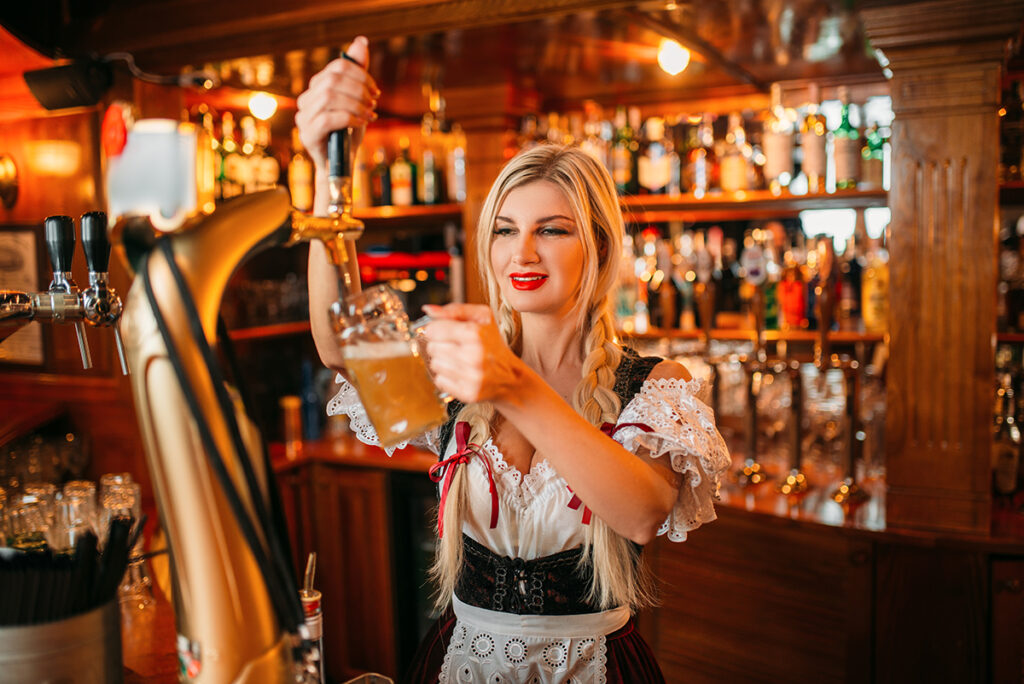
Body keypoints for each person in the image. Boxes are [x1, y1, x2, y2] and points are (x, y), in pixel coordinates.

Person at [298, 36, 730, 684]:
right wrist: (326, 176)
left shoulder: (652, 386)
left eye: (552, 229)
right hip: (463, 660)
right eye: (504, 229)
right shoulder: (457, 366)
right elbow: (339, 347)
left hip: (592, 664)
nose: (521, 252)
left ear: (600, 249)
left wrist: (511, 384)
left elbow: (641, 515)